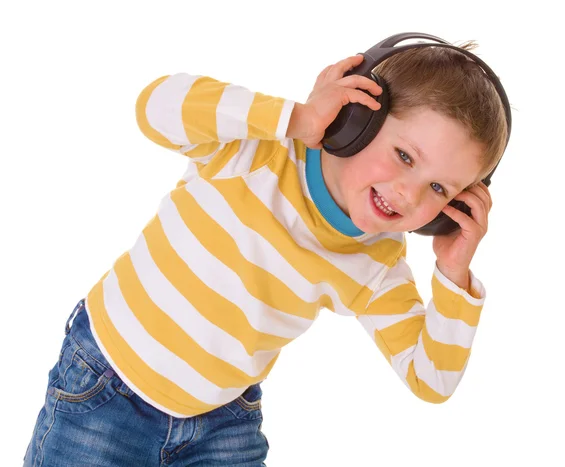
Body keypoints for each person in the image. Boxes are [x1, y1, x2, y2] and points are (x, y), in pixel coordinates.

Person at [24, 41, 508, 466]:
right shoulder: (257, 147)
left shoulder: (376, 264)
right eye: (405, 156)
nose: (409, 194)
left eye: (439, 188)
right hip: (107, 386)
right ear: (357, 116)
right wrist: (293, 118)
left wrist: (452, 273)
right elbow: (153, 106)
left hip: (224, 422)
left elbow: (432, 381)